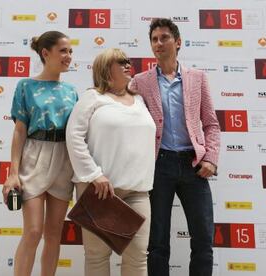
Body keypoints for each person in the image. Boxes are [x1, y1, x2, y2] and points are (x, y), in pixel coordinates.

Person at [130, 18, 221, 276]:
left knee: (203, 238)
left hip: (194, 165)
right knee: (157, 241)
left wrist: (211, 159)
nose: (159, 43)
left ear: (178, 42)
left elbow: (212, 124)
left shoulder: (198, 78)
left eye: (164, 38)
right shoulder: (140, 81)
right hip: (158, 165)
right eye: (154, 39)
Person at [66, 48, 156, 276]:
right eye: (120, 61)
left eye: (128, 60)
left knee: (137, 259)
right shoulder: (93, 98)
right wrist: (95, 175)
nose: (128, 64)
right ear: (106, 70)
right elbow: (74, 136)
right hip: (99, 192)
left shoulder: (140, 100)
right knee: (97, 258)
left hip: (138, 191)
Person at [2, 31, 78, 276]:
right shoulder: (26, 86)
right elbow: (19, 131)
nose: (69, 56)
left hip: (63, 160)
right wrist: (12, 174)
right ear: (46, 53)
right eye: (63, 51)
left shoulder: (72, 91)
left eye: (70, 51)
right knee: (33, 232)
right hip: (34, 157)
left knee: (54, 235)